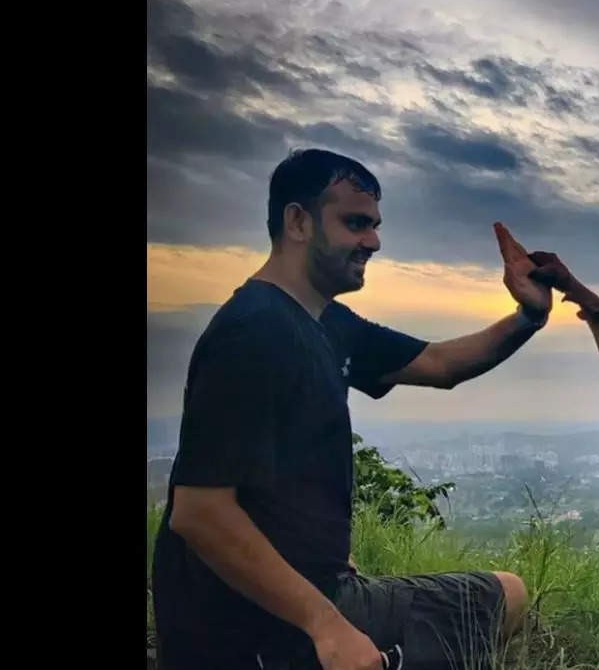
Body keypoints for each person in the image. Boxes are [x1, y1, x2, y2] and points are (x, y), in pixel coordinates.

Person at [152, 148, 554, 670]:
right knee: (508, 595)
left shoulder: (326, 324)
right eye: (356, 223)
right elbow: (200, 512)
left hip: (301, 598)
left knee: (501, 598)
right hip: (256, 628)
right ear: (298, 221)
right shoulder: (254, 331)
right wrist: (328, 626)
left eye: (375, 225)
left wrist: (528, 317)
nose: (374, 241)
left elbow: (438, 363)